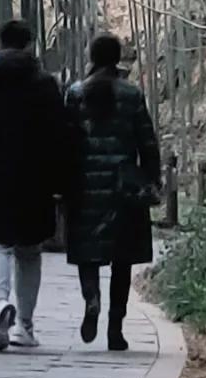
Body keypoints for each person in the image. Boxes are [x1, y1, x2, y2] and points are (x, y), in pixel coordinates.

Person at [0, 15, 72, 352]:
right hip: (35, 178)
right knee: (29, 251)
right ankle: (24, 326)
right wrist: (60, 179)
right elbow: (59, 135)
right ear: (29, 44)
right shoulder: (45, 84)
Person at [64, 32, 161, 350]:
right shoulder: (132, 95)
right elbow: (147, 141)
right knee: (122, 259)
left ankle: (91, 299)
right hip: (124, 189)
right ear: (117, 58)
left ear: (92, 57)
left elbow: (64, 142)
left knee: (87, 255)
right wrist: (152, 179)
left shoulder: (75, 93)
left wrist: (61, 184)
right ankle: (115, 329)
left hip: (84, 186)